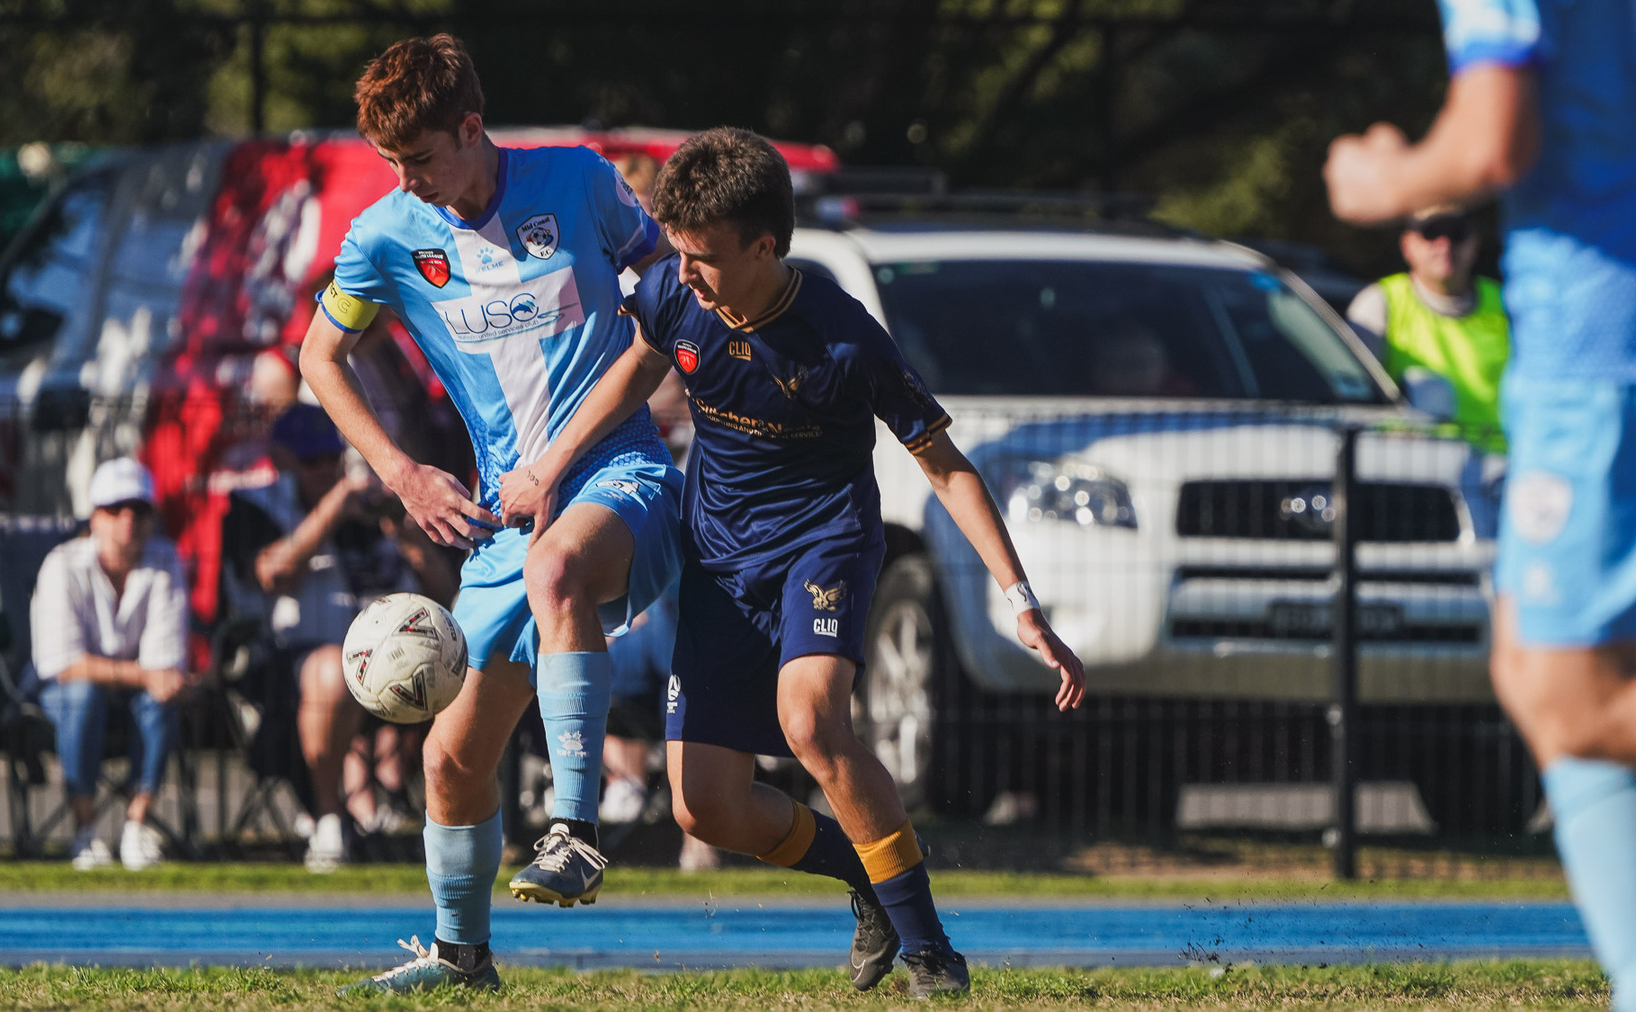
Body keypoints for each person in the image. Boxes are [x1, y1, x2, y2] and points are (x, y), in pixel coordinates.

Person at [499, 127, 1087, 998]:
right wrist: (547, 467)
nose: (682, 270)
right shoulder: (671, 292)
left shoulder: (845, 341)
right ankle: (868, 877)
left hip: (824, 544)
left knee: (811, 723)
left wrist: (1021, 599)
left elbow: (946, 467)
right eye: (677, 252)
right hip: (720, 563)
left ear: (765, 246)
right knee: (706, 806)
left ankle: (931, 952)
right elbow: (636, 366)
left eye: (702, 255)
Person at [297, 35, 681, 992]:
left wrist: (554, 463)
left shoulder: (581, 185)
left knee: (558, 571)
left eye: (420, 157)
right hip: (506, 520)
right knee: (449, 762)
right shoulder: (386, 235)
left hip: (617, 478)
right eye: (391, 163)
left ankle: (577, 830)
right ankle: (463, 959)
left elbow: (670, 320)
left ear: (472, 128)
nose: (406, 180)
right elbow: (317, 359)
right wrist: (401, 472)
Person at [1324, 1, 1636, 1005]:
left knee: (1563, 691)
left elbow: (1492, 137)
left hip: (1596, 343)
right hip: (1586, 343)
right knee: (1535, 677)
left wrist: (1383, 179)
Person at [223, 403, 453, 871]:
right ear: (283, 459)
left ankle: (461, 827)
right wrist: (334, 507)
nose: (325, 470)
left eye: (331, 459)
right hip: (277, 669)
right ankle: (330, 818)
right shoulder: (253, 506)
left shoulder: (362, 517)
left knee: (468, 662)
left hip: (377, 663)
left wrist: (407, 536)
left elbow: (447, 595)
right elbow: (274, 573)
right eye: (312, 462)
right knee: (333, 669)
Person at [29, 457, 192, 872]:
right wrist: (141, 674)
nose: (127, 520)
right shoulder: (61, 565)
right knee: (81, 696)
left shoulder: (165, 559)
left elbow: (165, 659)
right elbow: (61, 664)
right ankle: (86, 832)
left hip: (132, 696)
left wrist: (147, 677)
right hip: (65, 695)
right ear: (94, 518)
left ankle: (137, 824)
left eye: (138, 509)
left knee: (162, 697)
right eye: (114, 508)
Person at [1344, 206, 1510, 449]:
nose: (1444, 245)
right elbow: (1351, 396)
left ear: (1474, 243)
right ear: (1408, 245)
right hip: (1411, 472)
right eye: (1431, 233)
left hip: (1496, 471)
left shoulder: (1507, 305)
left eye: (1457, 233)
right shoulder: (1380, 303)